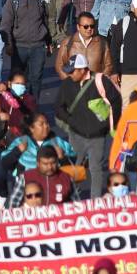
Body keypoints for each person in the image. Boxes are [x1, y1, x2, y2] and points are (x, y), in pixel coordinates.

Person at [55, 53, 117, 198]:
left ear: (83, 70)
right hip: (76, 133)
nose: (70, 74)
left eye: (73, 71)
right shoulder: (67, 84)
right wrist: (71, 121)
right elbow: (59, 107)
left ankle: (95, 201)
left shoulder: (99, 82)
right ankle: (74, 197)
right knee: (76, 165)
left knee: (96, 168)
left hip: (97, 134)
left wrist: (106, 124)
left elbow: (115, 102)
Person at [0, 0, 52, 98]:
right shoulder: (13, 1)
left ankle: (33, 104)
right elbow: (5, 25)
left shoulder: (40, 1)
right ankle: (15, 105)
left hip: (38, 47)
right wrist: (9, 44)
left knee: (36, 78)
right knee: (18, 79)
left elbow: (45, 22)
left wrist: (49, 42)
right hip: (19, 47)